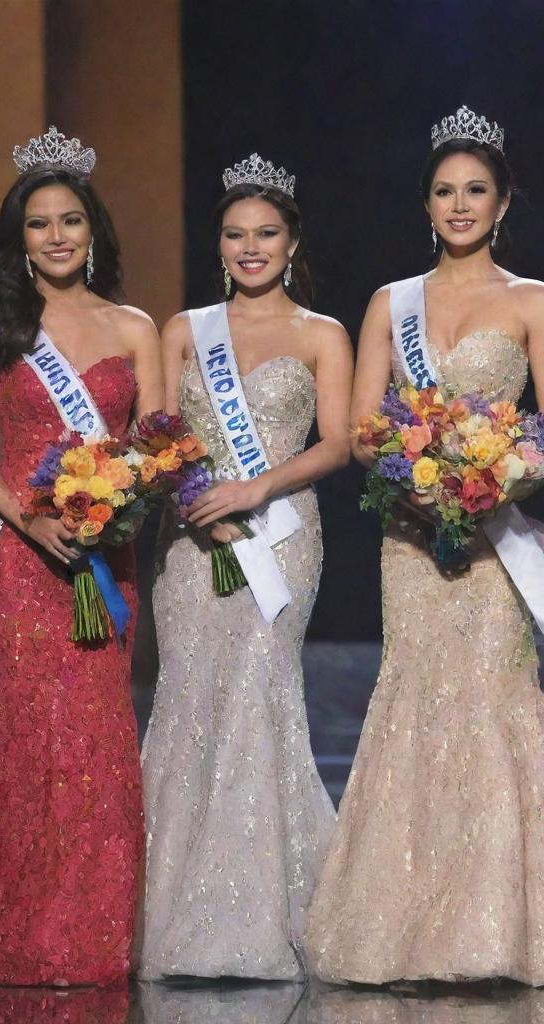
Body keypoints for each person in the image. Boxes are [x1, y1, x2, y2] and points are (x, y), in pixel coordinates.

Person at [306, 106, 544, 986]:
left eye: (477, 190)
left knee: (491, 703)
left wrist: (490, 482)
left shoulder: (534, 301)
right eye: (445, 191)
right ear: (426, 204)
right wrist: (420, 476)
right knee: (416, 705)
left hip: (494, 544)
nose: (460, 204)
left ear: (504, 201)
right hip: (410, 538)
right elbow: (363, 429)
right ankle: (407, 928)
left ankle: (502, 929)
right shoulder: (389, 303)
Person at [139, 154, 352, 979]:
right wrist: (199, 497)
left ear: (292, 241)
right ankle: (174, 910)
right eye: (236, 235)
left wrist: (254, 487)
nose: (251, 248)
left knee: (261, 693)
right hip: (192, 539)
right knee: (191, 699)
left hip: (283, 533)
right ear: (219, 245)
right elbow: (157, 433)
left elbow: (336, 443)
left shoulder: (321, 334)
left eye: (266, 233)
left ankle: (264, 913)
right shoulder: (183, 329)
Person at [0, 126, 162, 985]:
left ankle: (88, 936)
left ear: (93, 230)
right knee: (19, 736)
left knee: (93, 740)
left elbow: (157, 443)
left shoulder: (133, 325)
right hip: (21, 559)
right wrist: (27, 517)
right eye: (39, 224)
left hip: (105, 559)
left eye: (70, 220)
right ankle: (3, 929)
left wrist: (121, 501)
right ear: (18, 239)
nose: (55, 237)